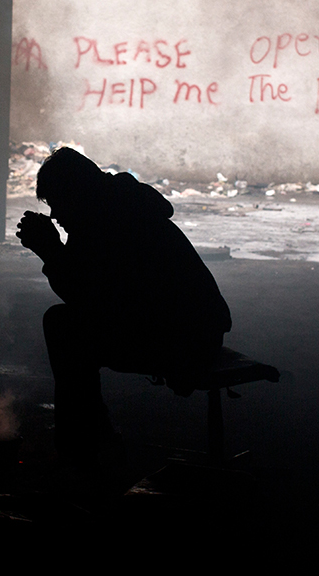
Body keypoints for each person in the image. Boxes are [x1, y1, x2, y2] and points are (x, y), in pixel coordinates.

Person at [17, 147, 231, 463]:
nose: (54, 215)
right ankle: (91, 437)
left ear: (75, 194)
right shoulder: (115, 206)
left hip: (185, 337)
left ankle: (82, 450)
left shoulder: (108, 220)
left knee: (64, 328)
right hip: (193, 329)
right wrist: (56, 253)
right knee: (66, 324)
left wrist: (51, 252)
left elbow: (89, 299)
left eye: (56, 202)